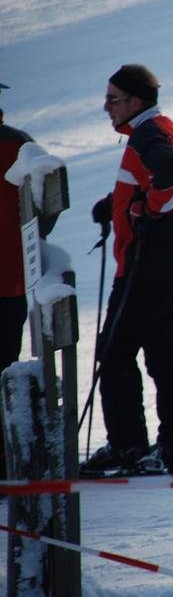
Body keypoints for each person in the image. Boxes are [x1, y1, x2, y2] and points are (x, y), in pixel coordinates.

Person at [81, 64, 173, 475]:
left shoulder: (149, 135)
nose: (106, 107)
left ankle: (129, 448)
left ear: (135, 102)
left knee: (115, 353)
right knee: (163, 353)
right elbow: (154, 177)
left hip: (151, 267)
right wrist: (116, 204)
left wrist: (146, 211)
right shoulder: (160, 129)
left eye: (113, 99)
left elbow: (171, 174)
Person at [0, 94, 33, 480]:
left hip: (10, 280)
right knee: (5, 365)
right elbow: (45, 206)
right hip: (13, 279)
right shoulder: (21, 144)